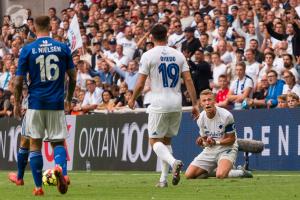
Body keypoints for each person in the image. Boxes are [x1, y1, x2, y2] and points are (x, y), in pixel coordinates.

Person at [128, 24, 199, 188]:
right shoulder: (178, 54)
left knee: (154, 141)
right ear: (167, 36)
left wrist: (132, 99)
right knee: (166, 141)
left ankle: (174, 162)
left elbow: (139, 83)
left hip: (159, 103)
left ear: (151, 37)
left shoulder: (148, 55)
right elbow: (188, 80)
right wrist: (195, 104)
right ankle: (163, 180)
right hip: (176, 103)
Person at [13, 16, 76, 196]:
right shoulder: (63, 48)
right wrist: (69, 98)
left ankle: (38, 188)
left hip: (35, 103)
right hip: (56, 103)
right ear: (50, 26)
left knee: (35, 143)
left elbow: (18, 81)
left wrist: (17, 103)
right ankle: (60, 170)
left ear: (34, 27)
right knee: (57, 142)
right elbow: (73, 76)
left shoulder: (28, 49)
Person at [185, 89, 239, 179]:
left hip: (227, 149)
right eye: (204, 100)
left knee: (220, 175)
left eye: (209, 100)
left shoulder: (226, 116)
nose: (207, 103)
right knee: (189, 175)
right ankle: (216, 169)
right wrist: (202, 142)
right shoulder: (200, 119)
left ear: (214, 101)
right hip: (211, 150)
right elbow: (206, 142)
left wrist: (216, 142)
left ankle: (240, 172)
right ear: (201, 104)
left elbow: (231, 140)